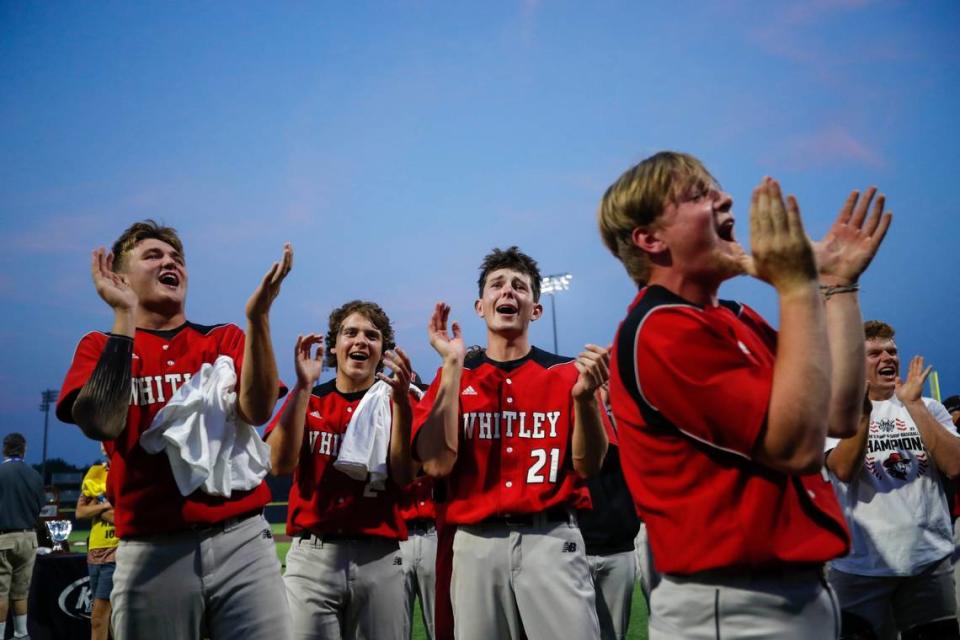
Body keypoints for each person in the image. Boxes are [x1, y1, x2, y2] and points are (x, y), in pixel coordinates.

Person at [598, 151, 891, 639]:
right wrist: (796, 287)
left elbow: (839, 415)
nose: (726, 198)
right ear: (650, 239)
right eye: (698, 195)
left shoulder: (734, 317)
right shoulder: (660, 329)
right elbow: (796, 448)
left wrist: (837, 287)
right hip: (732, 605)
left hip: (790, 592)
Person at [56, 220, 293, 640]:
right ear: (121, 276)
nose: (170, 262)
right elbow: (101, 423)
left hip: (241, 537)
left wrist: (258, 320)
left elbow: (257, 410)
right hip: (152, 547)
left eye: (176, 258)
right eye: (153, 256)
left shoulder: (222, 338)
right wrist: (123, 315)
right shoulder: (100, 344)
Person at [413, 246, 609, 640]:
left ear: (535, 309)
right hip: (474, 543)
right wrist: (451, 369)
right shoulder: (455, 373)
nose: (507, 292)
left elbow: (588, 466)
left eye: (519, 287)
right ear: (480, 305)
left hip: (550, 539)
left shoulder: (567, 373)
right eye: (497, 285)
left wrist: (586, 401)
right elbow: (435, 465)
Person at [265, 300, 418, 640]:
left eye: (372, 335)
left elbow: (405, 475)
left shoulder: (398, 401)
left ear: (384, 351)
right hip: (314, 555)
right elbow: (278, 464)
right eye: (350, 333)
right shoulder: (310, 398)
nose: (361, 340)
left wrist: (403, 406)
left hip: (380, 554)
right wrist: (302, 387)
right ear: (334, 346)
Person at [825, 321, 960, 639]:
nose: (887, 357)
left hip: (927, 563)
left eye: (892, 351)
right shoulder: (833, 413)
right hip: (860, 568)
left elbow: (955, 466)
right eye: (874, 352)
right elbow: (842, 469)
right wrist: (863, 410)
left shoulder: (929, 407)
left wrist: (914, 406)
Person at [577, 385, 641, 640]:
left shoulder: (628, 424)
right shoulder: (570, 426)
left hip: (618, 547)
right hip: (574, 549)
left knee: (613, 635)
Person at [0, 433, 44, 640]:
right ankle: (21, 633)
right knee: (20, 592)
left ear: (4, 449)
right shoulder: (34, 475)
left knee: (1, 592)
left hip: (3, 538)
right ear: (23, 449)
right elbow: (40, 508)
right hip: (28, 538)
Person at [76, 448, 117, 640]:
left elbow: (121, 518)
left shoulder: (127, 472)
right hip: (95, 551)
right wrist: (106, 504)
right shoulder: (95, 473)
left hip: (116, 551)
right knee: (106, 619)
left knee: (99, 617)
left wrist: (97, 507)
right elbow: (80, 513)